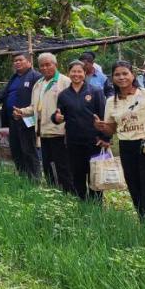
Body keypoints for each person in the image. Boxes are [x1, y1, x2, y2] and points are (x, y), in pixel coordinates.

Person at [95, 60, 145, 227]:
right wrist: (101, 127)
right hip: (127, 145)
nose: (121, 77)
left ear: (133, 75)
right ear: (112, 78)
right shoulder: (111, 101)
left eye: (125, 73)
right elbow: (111, 130)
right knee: (134, 185)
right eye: (117, 75)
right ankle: (144, 223)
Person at [54, 61, 107, 200]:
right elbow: (58, 115)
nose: (76, 74)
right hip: (73, 141)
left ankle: (96, 206)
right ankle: (81, 203)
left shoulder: (95, 91)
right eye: (73, 71)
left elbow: (103, 116)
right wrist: (56, 118)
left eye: (79, 71)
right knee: (77, 173)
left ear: (85, 73)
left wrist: (104, 138)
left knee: (94, 175)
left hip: (94, 141)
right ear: (68, 73)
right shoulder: (64, 95)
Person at [27, 52, 71, 190]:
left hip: (60, 132)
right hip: (43, 131)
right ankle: (52, 191)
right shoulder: (38, 84)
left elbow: (73, 105)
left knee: (63, 165)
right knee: (47, 165)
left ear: (55, 65)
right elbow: (34, 107)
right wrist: (22, 111)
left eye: (48, 64)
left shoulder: (64, 81)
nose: (45, 68)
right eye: (42, 66)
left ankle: (68, 192)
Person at [0, 53, 41, 179]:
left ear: (29, 62)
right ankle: (23, 177)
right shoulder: (14, 77)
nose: (17, 62)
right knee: (16, 149)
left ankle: (35, 178)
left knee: (28, 150)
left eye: (20, 60)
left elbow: (39, 100)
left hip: (28, 119)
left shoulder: (36, 77)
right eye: (15, 61)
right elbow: (4, 94)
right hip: (13, 119)